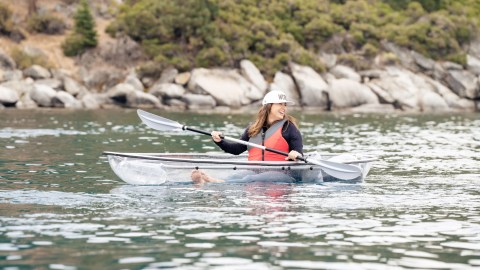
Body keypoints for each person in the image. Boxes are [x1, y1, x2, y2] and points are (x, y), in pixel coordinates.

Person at [191, 90, 303, 184]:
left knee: (250, 179)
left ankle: (213, 182)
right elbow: (236, 149)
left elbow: (299, 153)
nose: (284, 108)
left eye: (285, 105)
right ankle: (211, 182)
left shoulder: (289, 128)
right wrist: (220, 141)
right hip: (254, 172)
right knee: (236, 177)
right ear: (269, 106)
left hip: (281, 174)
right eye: (280, 104)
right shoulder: (253, 129)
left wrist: (296, 154)